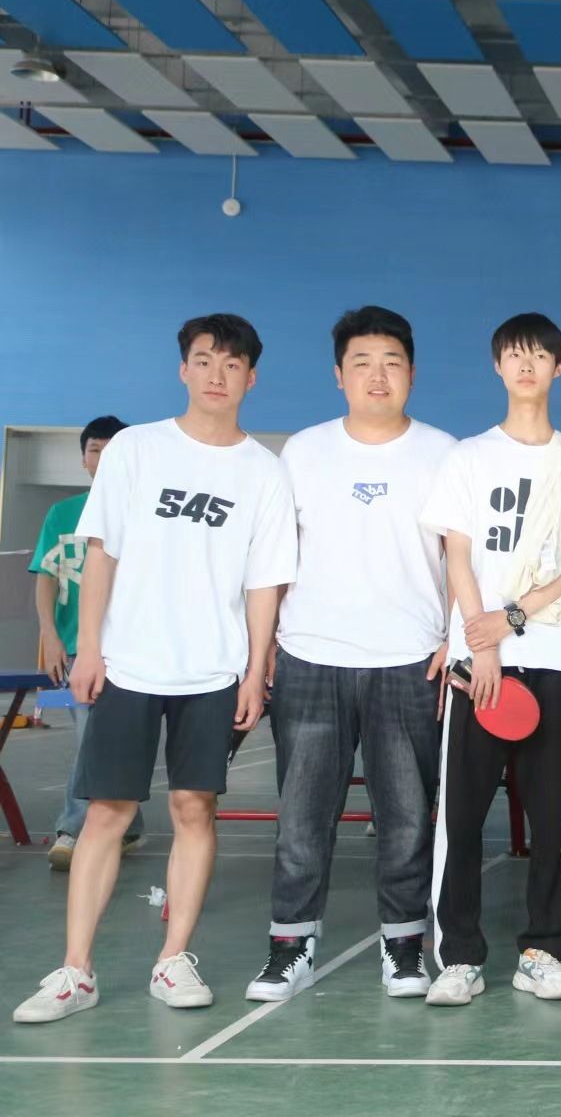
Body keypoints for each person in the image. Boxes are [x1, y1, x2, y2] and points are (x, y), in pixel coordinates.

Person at [14, 314, 296, 1023]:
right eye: (203, 361)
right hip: (129, 664)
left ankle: (173, 959)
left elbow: (265, 582)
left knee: (194, 809)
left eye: (231, 365)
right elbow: (101, 552)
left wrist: (255, 669)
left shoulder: (264, 471)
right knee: (107, 812)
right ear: (183, 370)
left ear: (251, 377)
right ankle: (75, 971)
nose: (216, 375)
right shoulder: (137, 450)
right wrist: (89, 648)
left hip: (213, 670)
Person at [243, 307, 455, 1002]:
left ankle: (404, 947)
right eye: (362, 362)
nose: (377, 375)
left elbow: (461, 558)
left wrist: (453, 638)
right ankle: (289, 946)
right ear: (339, 375)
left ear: (412, 373)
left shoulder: (444, 452)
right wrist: (263, 651)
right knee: (303, 817)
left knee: (406, 818)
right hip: (310, 657)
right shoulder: (304, 452)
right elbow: (274, 559)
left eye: (391, 362)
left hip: (411, 661)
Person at [419, 313, 561, 1008]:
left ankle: (542, 951)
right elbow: (458, 556)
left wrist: (517, 618)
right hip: (479, 663)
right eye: (514, 355)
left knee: (551, 816)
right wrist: (484, 645)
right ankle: (458, 958)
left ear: (559, 368)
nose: (526, 366)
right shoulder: (468, 457)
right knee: (462, 816)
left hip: (552, 655)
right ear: (497, 367)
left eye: (539, 356)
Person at [33, 415, 145, 869]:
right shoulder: (62, 514)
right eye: (95, 449)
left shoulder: (143, 513)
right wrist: (49, 634)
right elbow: (46, 576)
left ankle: (125, 825)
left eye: (112, 448)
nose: (103, 456)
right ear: (83, 459)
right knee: (89, 737)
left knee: (117, 738)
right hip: (80, 647)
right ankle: (73, 828)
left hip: (132, 647)